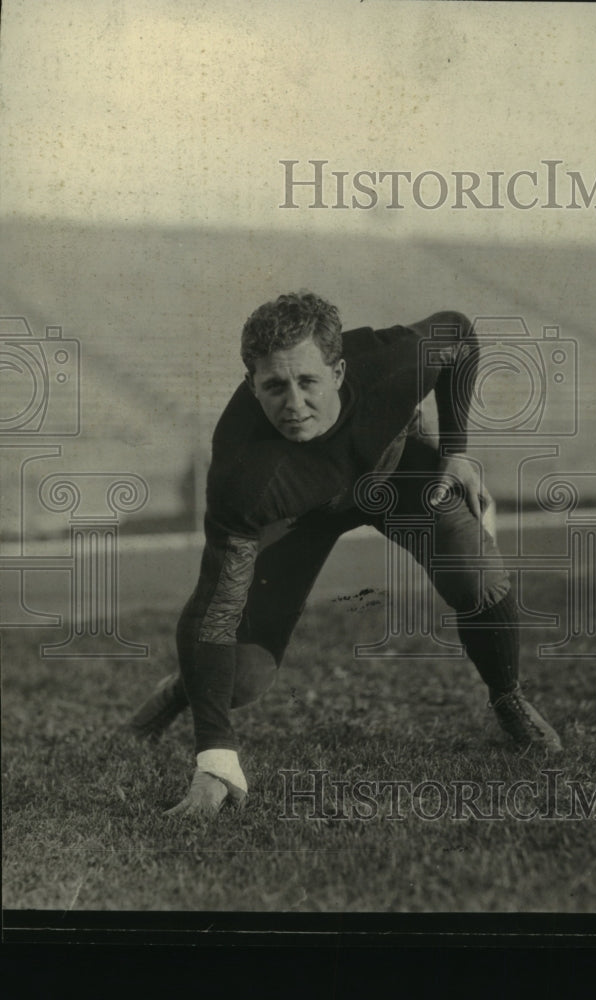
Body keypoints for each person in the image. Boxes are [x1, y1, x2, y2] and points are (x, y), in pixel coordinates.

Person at [127, 292, 562, 817]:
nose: (293, 404)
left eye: (307, 381)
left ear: (338, 371)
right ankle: (186, 688)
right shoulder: (242, 471)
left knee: (474, 570)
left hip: (392, 471)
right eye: (273, 386)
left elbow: (459, 333)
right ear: (250, 385)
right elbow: (213, 608)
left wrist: (457, 450)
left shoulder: (392, 363)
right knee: (244, 677)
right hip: (301, 516)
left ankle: (507, 696)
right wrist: (215, 758)